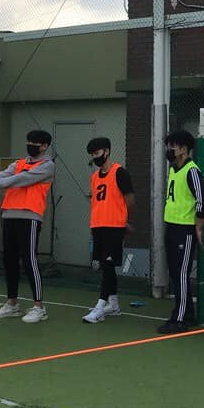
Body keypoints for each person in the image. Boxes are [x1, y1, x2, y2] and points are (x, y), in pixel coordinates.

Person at [0, 130, 54, 324]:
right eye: (28, 142)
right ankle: (12, 304)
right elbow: (3, 174)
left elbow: (20, 180)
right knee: (9, 260)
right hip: (9, 214)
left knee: (29, 260)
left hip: (30, 216)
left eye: (34, 143)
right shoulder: (18, 163)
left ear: (44, 146)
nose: (30, 145)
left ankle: (39, 307)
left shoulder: (47, 166)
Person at [82, 136, 135, 324]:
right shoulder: (94, 177)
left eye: (97, 153)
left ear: (107, 151)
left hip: (114, 227)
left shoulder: (119, 172)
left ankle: (100, 307)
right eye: (92, 154)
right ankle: (113, 304)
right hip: (98, 226)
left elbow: (130, 198)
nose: (95, 157)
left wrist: (123, 219)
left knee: (108, 265)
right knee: (105, 266)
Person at [158, 129, 204, 334]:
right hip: (171, 226)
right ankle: (188, 314)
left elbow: (202, 201)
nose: (169, 150)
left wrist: (198, 227)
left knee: (181, 273)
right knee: (175, 273)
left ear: (184, 149)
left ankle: (179, 319)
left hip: (185, 230)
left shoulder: (192, 171)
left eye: (173, 146)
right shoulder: (173, 169)